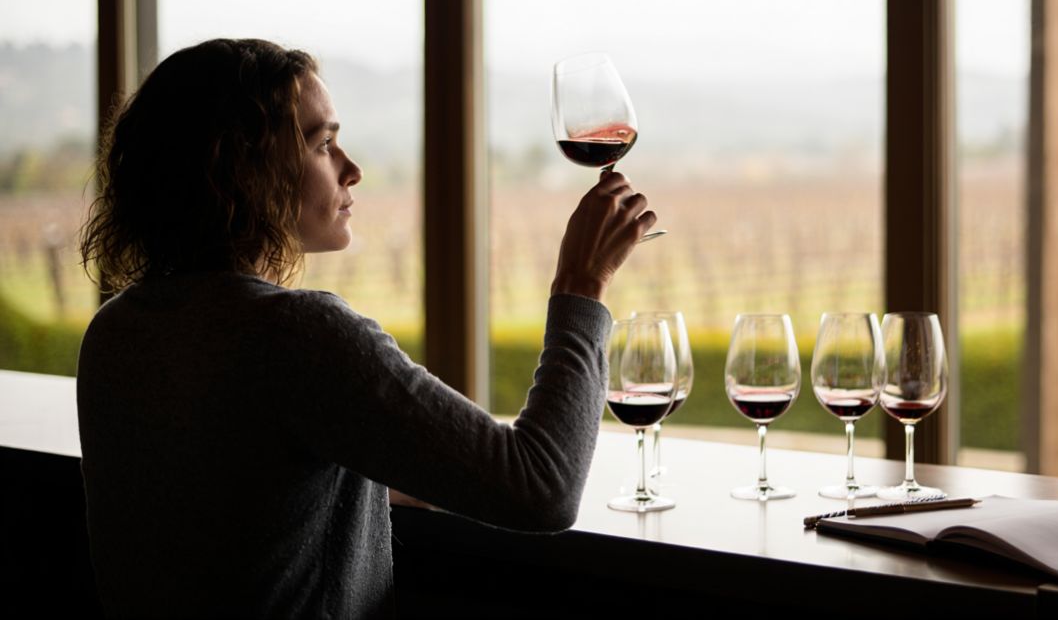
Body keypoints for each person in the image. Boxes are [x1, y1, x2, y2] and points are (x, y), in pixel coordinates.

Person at [76, 38, 656, 618]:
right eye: (322, 143)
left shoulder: (115, 331)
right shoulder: (300, 335)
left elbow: (246, 491)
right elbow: (542, 488)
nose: (352, 168)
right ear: (243, 170)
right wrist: (582, 283)